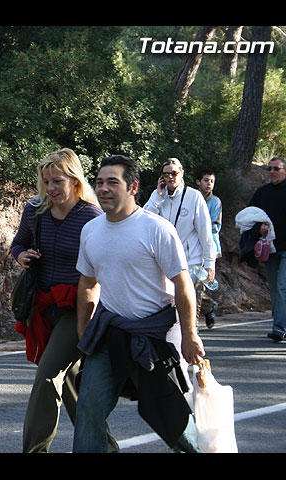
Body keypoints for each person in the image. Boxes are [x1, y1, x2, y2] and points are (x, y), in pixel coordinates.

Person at [73, 155, 205, 453]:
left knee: (172, 419)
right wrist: (83, 328)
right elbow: (88, 283)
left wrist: (190, 334)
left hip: (154, 337)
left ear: (132, 187)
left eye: (112, 182)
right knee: (89, 405)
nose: (103, 189)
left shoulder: (156, 229)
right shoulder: (91, 230)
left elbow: (183, 284)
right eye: (100, 182)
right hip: (110, 332)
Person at [11, 148, 118, 453]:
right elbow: (18, 243)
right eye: (46, 182)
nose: (50, 188)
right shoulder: (34, 211)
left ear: (75, 180)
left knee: (47, 376)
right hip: (43, 307)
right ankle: (107, 448)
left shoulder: (92, 217)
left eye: (57, 181)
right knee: (71, 385)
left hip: (77, 309)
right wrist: (21, 255)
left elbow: (105, 267)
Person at [143, 158, 217, 328]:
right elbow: (144, 221)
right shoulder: (158, 196)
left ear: (182, 173)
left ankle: (190, 336)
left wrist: (210, 263)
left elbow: (205, 232)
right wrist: (157, 197)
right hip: (164, 261)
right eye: (166, 174)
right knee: (167, 304)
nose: (170, 177)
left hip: (190, 261)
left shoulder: (194, 196)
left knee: (185, 305)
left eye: (174, 173)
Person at [249, 157, 286, 343]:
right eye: (269, 168)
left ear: (284, 170)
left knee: (281, 286)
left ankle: (279, 329)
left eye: (276, 168)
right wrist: (259, 230)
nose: (272, 171)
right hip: (270, 249)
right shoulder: (261, 193)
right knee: (274, 289)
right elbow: (249, 218)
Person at [195, 168, 222, 328]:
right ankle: (210, 306)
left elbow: (214, 226)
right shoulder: (191, 198)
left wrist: (196, 227)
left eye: (211, 181)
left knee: (199, 286)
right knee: (190, 285)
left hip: (209, 248)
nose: (209, 184)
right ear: (198, 182)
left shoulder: (215, 202)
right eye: (206, 180)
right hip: (192, 247)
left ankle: (193, 324)